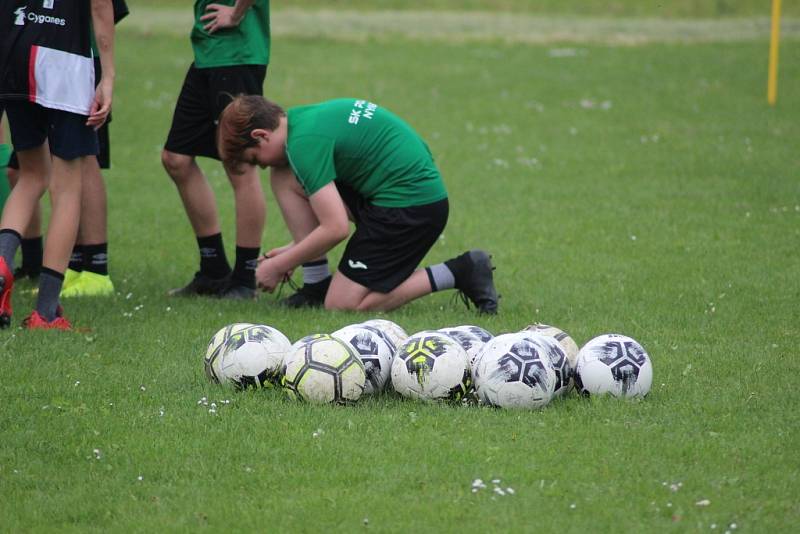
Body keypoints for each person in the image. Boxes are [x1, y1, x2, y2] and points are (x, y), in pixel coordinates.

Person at [216, 95, 499, 313]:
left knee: (342, 305)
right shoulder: (300, 122)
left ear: (261, 136)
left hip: (412, 208)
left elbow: (336, 227)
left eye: (254, 159)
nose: (261, 167)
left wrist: (279, 266)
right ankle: (315, 286)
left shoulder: (304, 146)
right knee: (284, 175)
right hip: (391, 197)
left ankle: (461, 270)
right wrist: (294, 251)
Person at [0, 0, 116, 330]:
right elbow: (100, 5)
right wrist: (107, 75)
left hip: (12, 53)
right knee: (67, 189)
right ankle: (46, 312)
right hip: (63, 61)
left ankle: (2, 263)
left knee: (31, 176)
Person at [162, 0, 270, 299]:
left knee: (239, 163)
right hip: (208, 52)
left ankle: (245, 280)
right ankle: (214, 271)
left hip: (237, 52)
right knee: (176, 158)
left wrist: (237, 12)